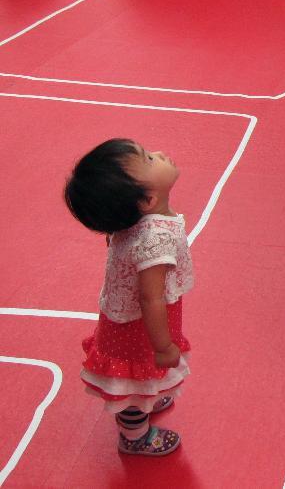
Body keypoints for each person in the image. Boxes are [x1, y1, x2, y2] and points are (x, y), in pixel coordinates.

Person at [65, 139, 194, 457]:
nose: (161, 153)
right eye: (150, 159)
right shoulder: (156, 240)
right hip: (139, 328)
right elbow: (152, 300)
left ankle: (147, 396)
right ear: (149, 200)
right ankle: (134, 435)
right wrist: (163, 346)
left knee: (141, 378)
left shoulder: (130, 221)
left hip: (131, 321)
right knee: (133, 381)